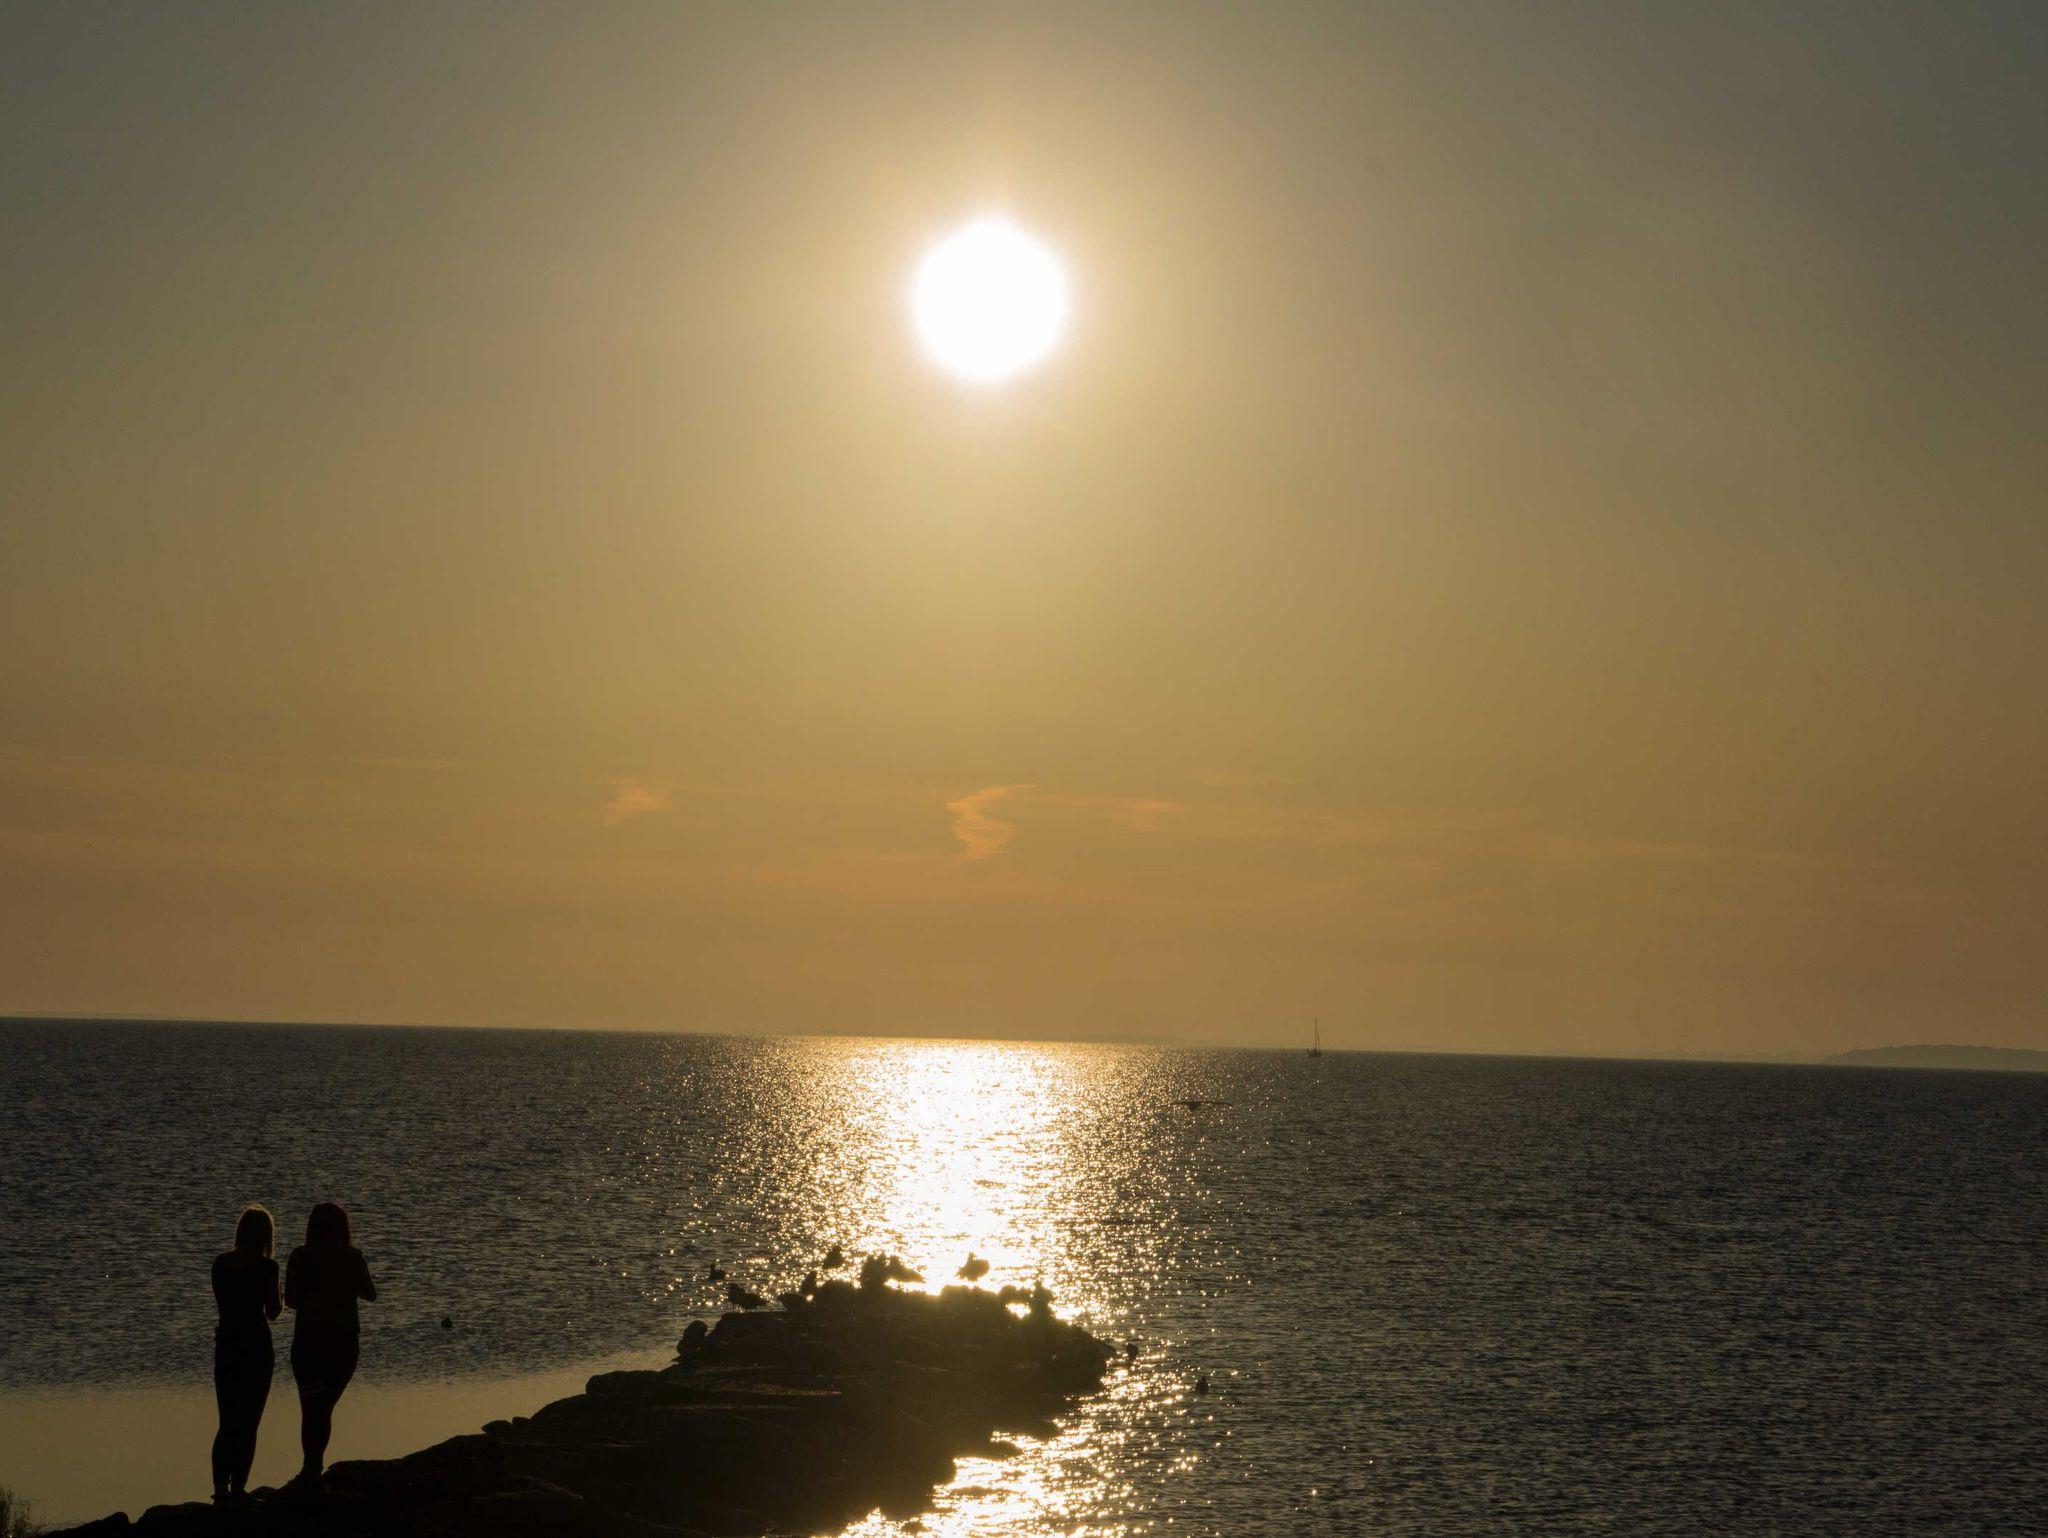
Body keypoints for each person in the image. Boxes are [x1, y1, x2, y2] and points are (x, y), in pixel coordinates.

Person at [283, 1202, 376, 1487]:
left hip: (308, 1340)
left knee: (311, 1408)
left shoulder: (300, 1257)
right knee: (322, 1408)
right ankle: (312, 1467)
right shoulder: (353, 1257)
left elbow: (291, 1301)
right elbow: (370, 1294)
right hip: (343, 1341)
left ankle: (311, 1467)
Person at [210, 1205, 281, 1502]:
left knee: (227, 1421)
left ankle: (220, 1488)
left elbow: (222, 1303)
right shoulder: (267, 1267)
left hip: (227, 1344)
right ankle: (239, 1487)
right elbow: (273, 1311)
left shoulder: (221, 1263)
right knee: (249, 1422)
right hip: (256, 1346)